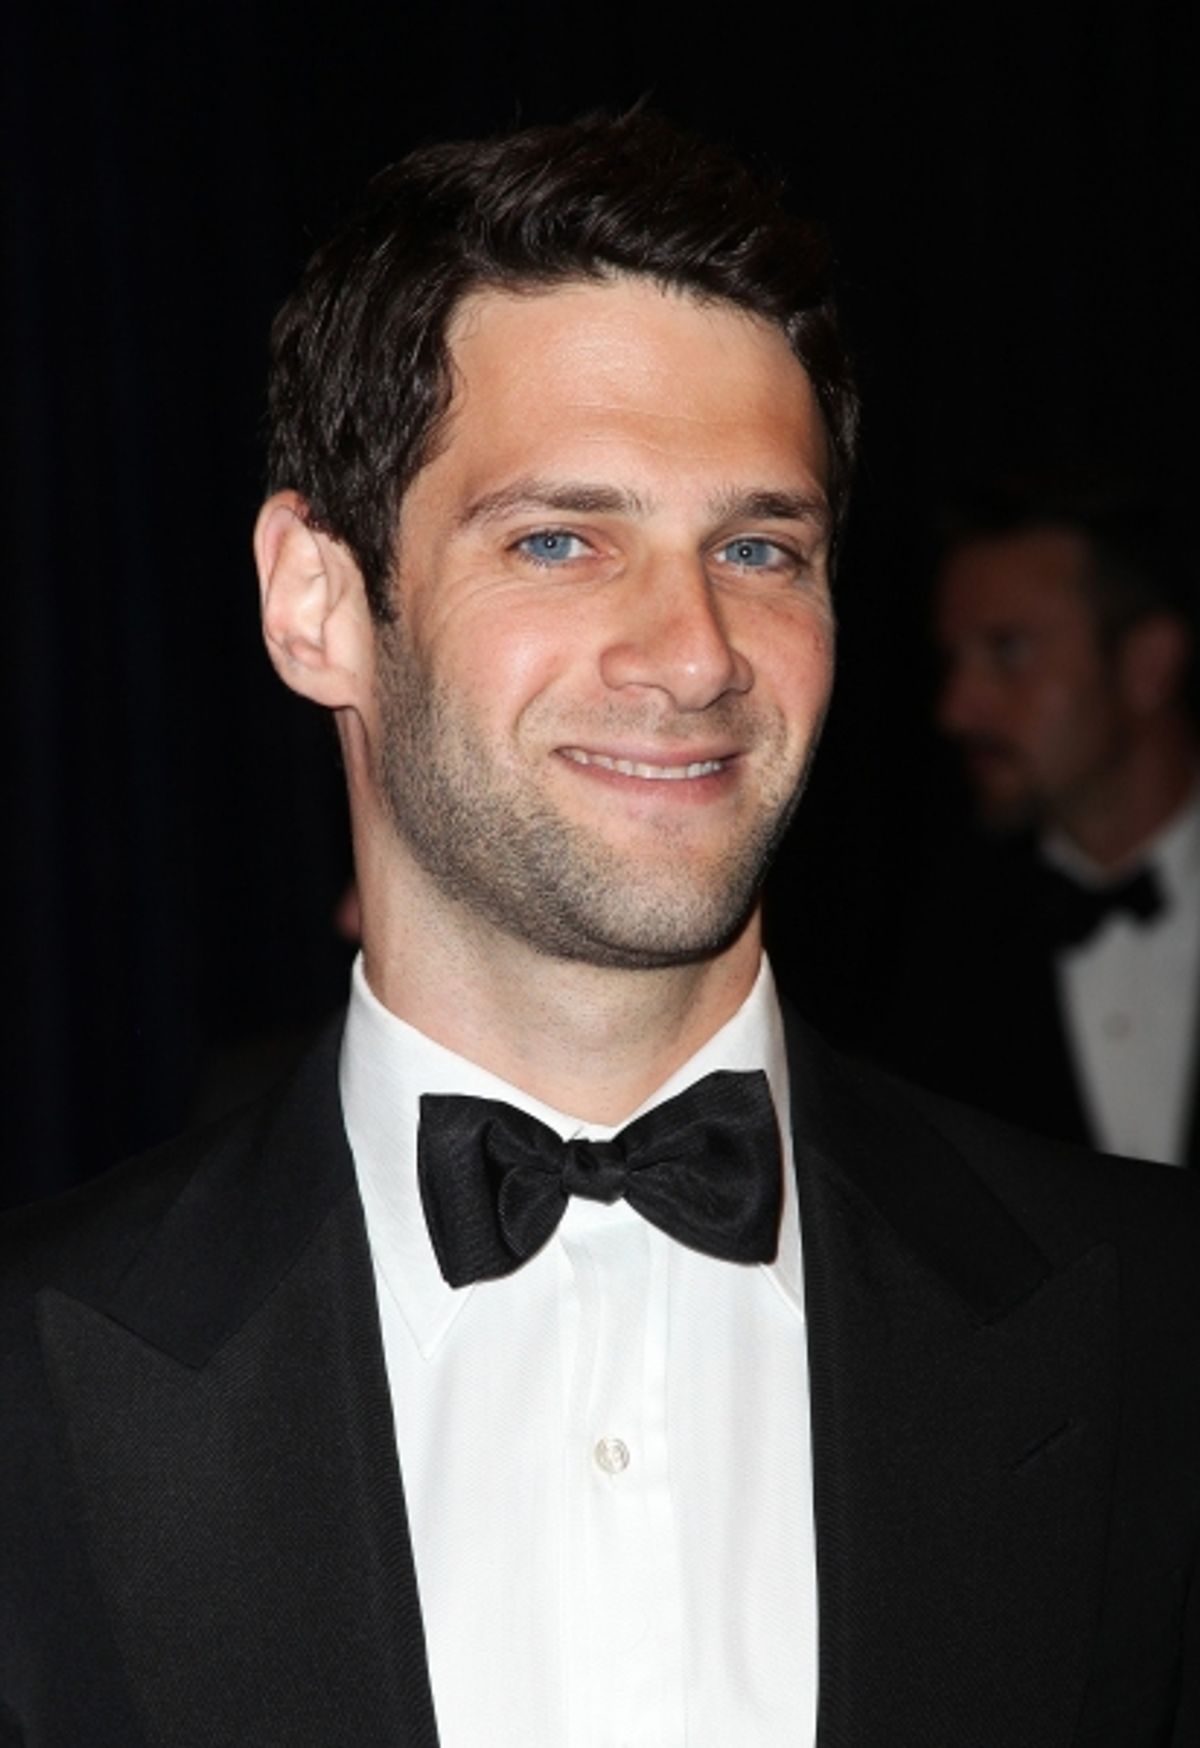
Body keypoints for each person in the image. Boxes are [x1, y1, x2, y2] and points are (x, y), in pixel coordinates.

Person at [3, 115, 1199, 1748]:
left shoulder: (1153, 1323)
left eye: (760, 547)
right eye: (562, 538)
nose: (697, 651)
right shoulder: (33, 1389)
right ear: (320, 603)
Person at [880, 482, 1200, 1166]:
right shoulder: (924, 943)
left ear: (1148, 665)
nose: (957, 710)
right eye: (954, 660)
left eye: (1008, 651)